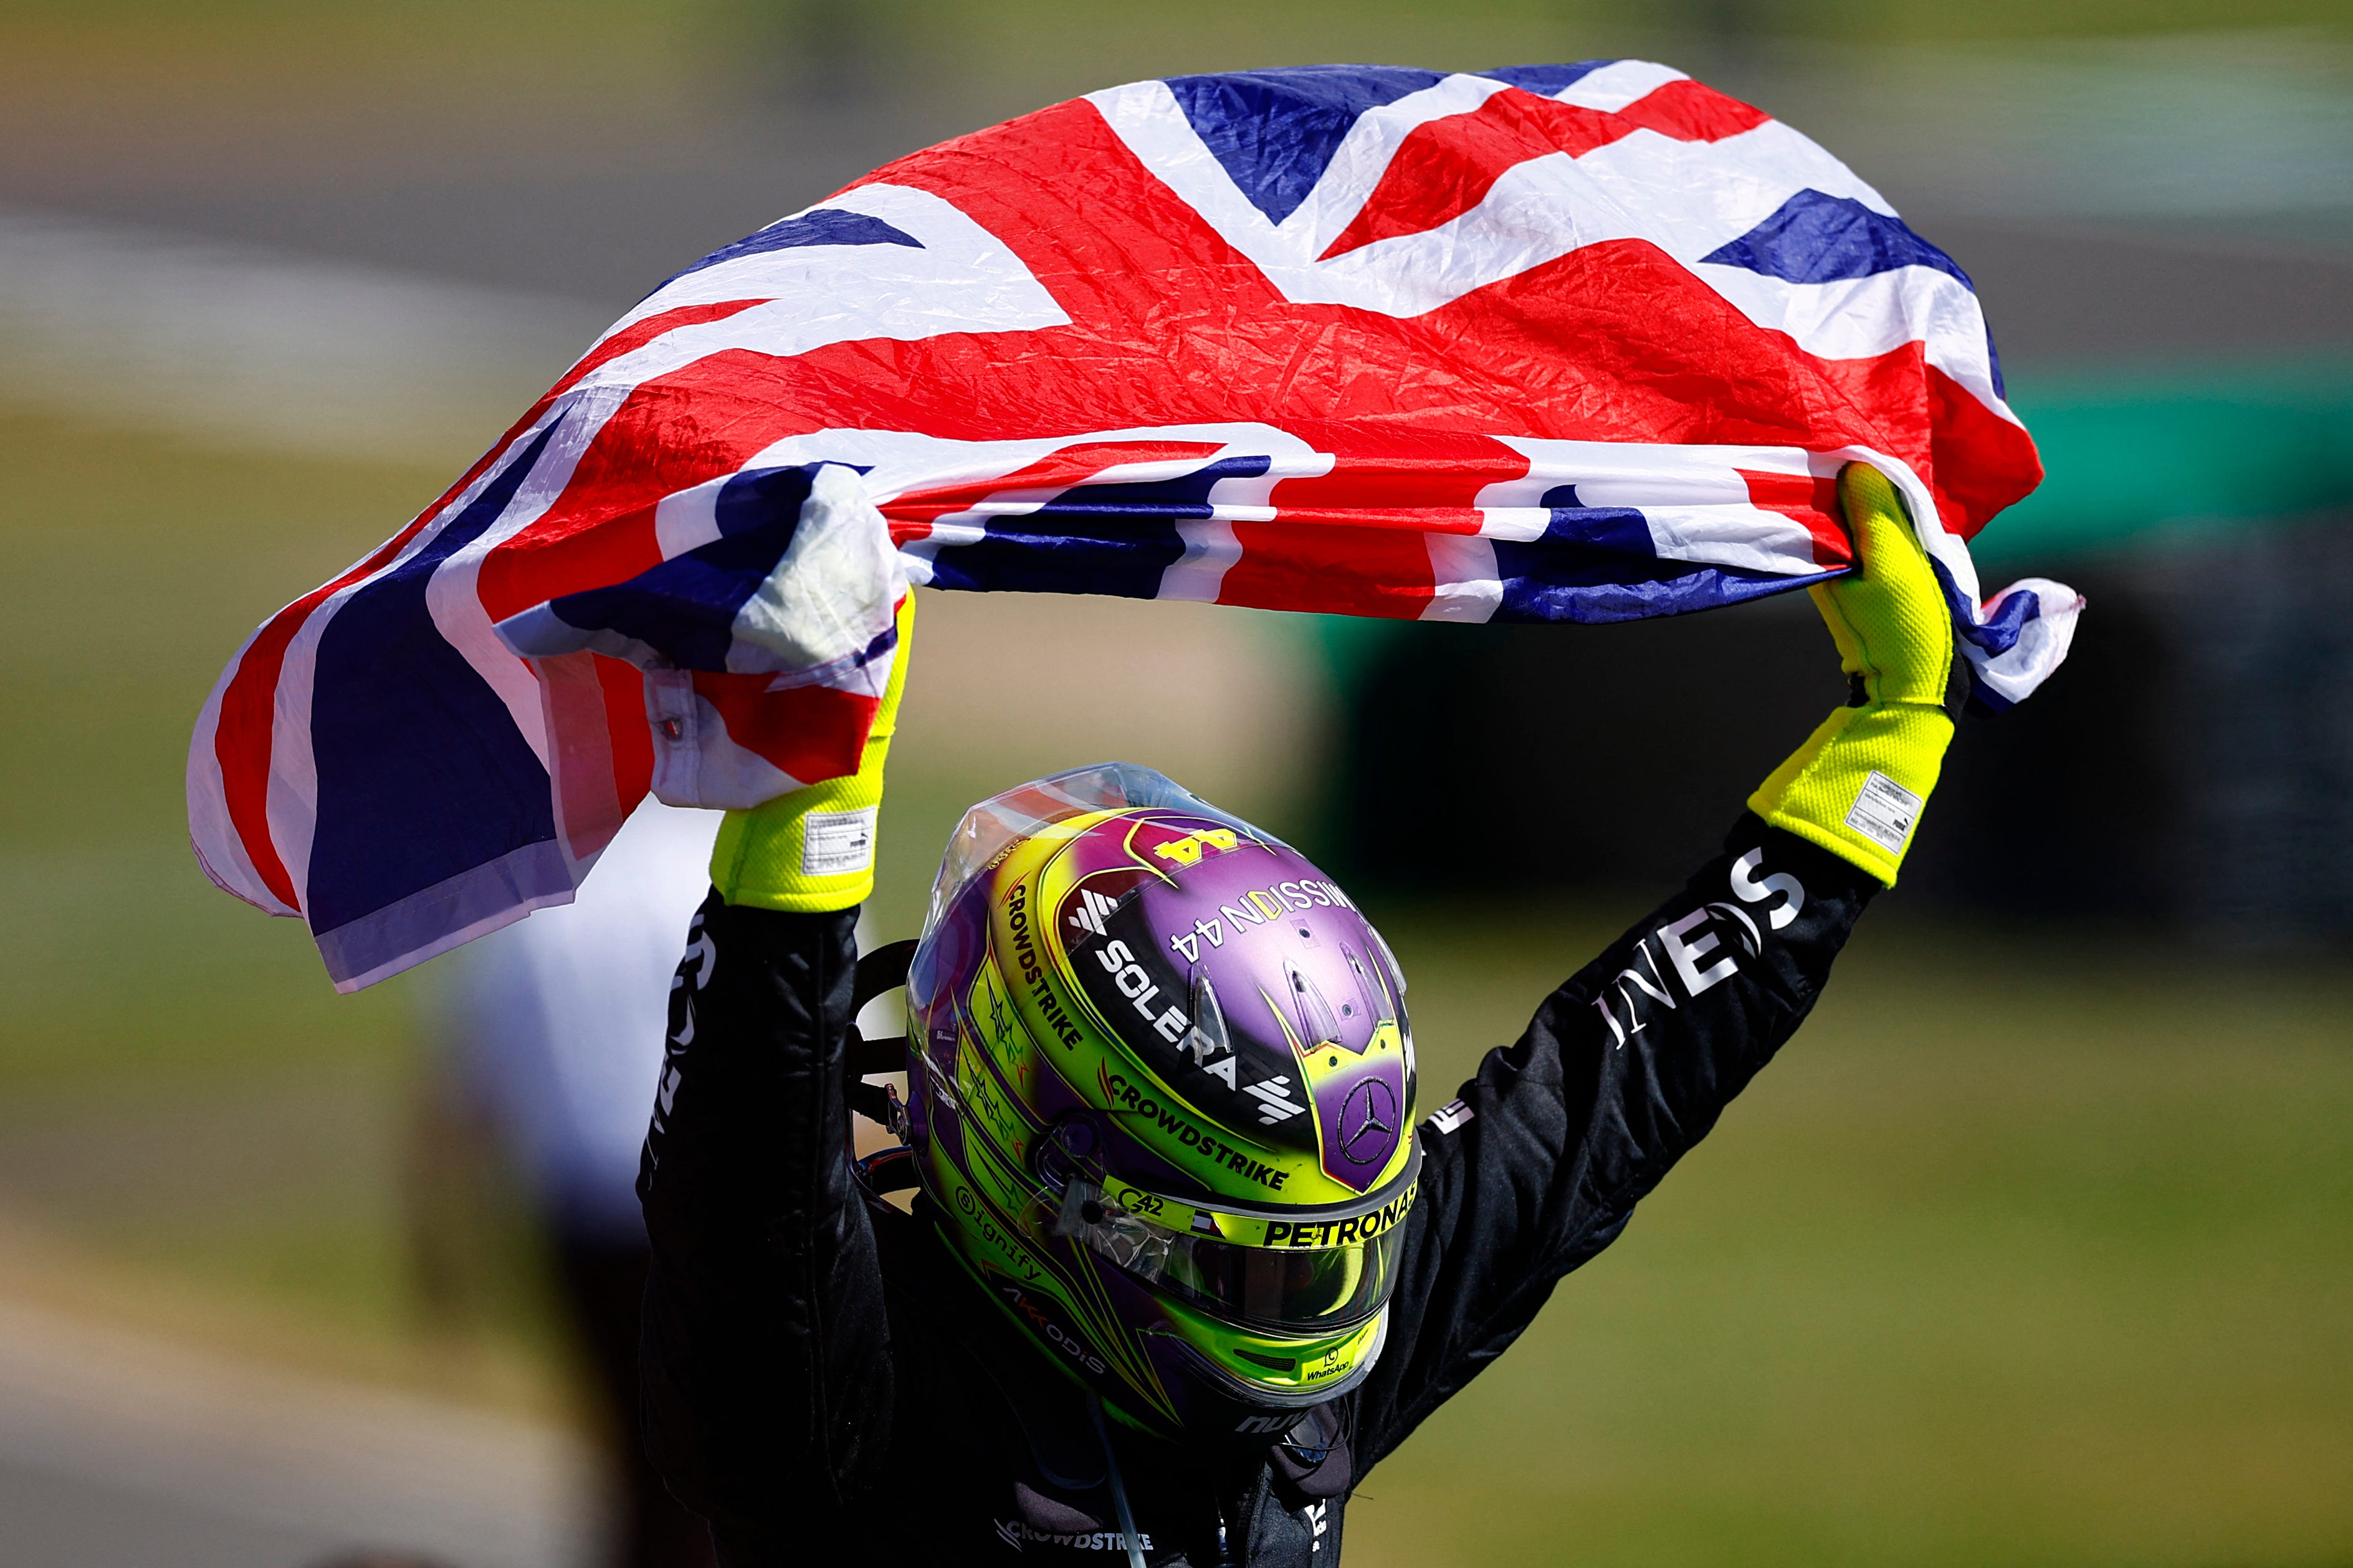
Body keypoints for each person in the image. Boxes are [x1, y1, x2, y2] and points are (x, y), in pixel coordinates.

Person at [636, 464, 1959, 1565]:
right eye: (1255, 1266)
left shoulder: (1313, 1347)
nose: (1312, 1318)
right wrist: (804, 809)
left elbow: (1610, 1088)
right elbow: (743, 1190)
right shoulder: (849, 1413)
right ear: (1067, 1188)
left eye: (1338, 1250)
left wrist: (1880, 754)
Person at [434, 799, 723, 1568]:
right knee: (723, 1464)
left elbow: (464, 1090)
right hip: (714, 1222)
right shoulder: (727, 867)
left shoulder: (535, 893)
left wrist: (442, 1252)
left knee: (635, 1460)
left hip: (585, 1229)